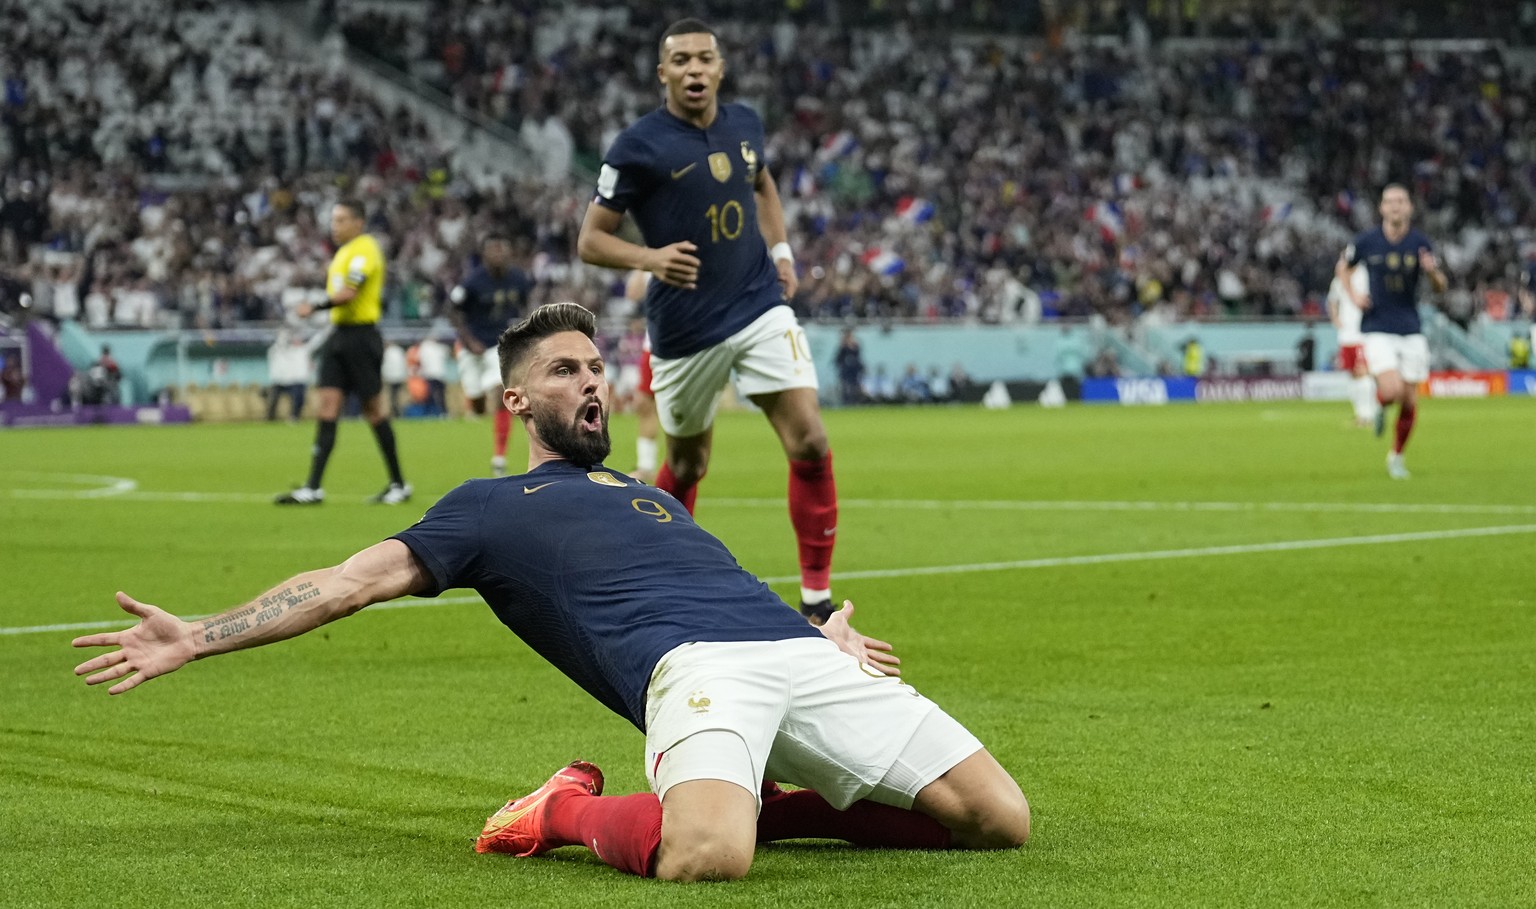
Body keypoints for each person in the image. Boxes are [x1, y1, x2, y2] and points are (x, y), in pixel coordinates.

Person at [72, 302, 1030, 883]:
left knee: (998, 820)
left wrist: (821, 631)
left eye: (597, 368)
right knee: (709, 857)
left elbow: (721, 583)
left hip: (790, 652)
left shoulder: (641, 493)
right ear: (517, 402)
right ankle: (561, 809)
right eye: (565, 371)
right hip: (691, 672)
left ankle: (753, 798)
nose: (592, 384)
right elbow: (347, 581)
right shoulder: (488, 509)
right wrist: (199, 633)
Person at [576, 19, 840, 622]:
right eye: (681, 61)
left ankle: (817, 602)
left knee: (811, 441)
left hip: (757, 304)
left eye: (704, 59)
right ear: (662, 74)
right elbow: (591, 240)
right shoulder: (637, 146)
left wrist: (780, 253)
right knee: (690, 464)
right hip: (685, 328)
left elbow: (763, 183)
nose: (694, 70)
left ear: (720, 68)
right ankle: (657, 576)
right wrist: (650, 257)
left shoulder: (744, 123)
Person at [276, 199, 411, 505]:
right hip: (338, 336)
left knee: (374, 410)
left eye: (340, 220)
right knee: (326, 406)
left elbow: (350, 293)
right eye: (333, 220)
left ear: (358, 222)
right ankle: (312, 487)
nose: (334, 226)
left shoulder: (365, 249)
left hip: (361, 337)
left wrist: (315, 305)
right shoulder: (343, 253)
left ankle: (398, 484)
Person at [1335, 183, 1448, 480]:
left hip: (1411, 328)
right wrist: (1352, 295)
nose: (1396, 206)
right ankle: (1382, 401)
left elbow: (1441, 287)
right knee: (1393, 388)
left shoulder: (1420, 243)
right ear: (1382, 208)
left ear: (1409, 207)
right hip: (1376, 327)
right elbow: (1342, 267)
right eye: (1390, 201)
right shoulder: (1366, 241)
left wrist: (1432, 272)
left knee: (1410, 401)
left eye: (1401, 201)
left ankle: (1396, 456)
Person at [449, 232, 533, 476]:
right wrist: (468, 340)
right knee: (475, 401)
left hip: (499, 346)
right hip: (472, 347)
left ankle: (499, 457)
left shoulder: (518, 278)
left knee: (500, 392)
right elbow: (453, 312)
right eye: (493, 249)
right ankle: (475, 407)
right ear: (484, 254)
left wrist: (525, 331)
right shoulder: (472, 282)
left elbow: (526, 305)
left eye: (502, 248)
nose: (498, 253)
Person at [1325, 262, 1379, 429]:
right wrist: (1335, 318)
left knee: (1363, 372)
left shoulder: (1363, 276)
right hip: (1345, 336)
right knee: (1352, 375)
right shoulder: (1337, 282)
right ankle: (1360, 414)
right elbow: (1332, 301)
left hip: (1361, 333)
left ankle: (1370, 414)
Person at [623, 269, 661, 484]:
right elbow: (633, 293)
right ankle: (646, 467)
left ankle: (683, 463)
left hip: (684, 342)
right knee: (644, 403)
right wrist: (642, 261)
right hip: (653, 343)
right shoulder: (651, 259)